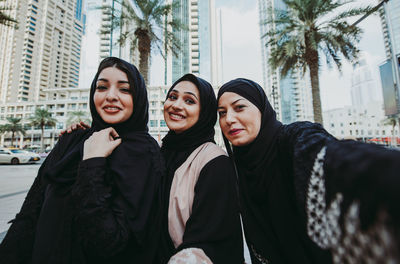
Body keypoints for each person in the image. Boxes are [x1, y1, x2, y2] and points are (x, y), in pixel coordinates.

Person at [217, 78, 400, 264]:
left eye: (239, 107)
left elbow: (334, 159)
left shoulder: (293, 139)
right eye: (222, 113)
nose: (229, 119)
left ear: (261, 109)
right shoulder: (237, 165)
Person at [0, 57, 164, 264]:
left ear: (138, 98)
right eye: (102, 87)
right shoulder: (73, 139)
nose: (111, 96)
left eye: (124, 89)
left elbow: (110, 243)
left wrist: (93, 163)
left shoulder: (145, 154)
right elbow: (31, 211)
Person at [159, 74, 244, 263]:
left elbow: (209, 241)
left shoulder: (214, 162)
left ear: (204, 111)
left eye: (189, 101)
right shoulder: (160, 154)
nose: (176, 105)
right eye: (172, 97)